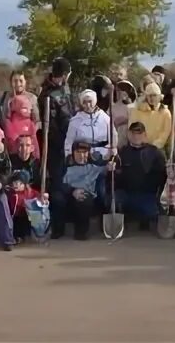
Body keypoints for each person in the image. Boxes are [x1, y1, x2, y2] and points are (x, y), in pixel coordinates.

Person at [51, 141, 114, 240]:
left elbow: (107, 167)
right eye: (78, 152)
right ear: (73, 153)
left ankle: (81, 232)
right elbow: (57, 182)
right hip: (68, 193)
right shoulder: (65, 163)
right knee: (56, 197)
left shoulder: (94, 163)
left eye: (84, 152)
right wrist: (72, 191)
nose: (81, 155)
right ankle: (58, 230)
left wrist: (111, 163)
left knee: (85, 199)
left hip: (85, 193)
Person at [116, 122, 168, 231]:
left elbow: (163, 175)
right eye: (133, 133)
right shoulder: (121, 153)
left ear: (144, 135)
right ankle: (122, 220)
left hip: (147, 195)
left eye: (139, 133)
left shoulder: (155, 153)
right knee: (114, 201)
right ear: (128, 134)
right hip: (126, 194)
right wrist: (113, 171)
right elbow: (115, 176)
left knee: (152, 213)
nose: (136, 136)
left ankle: (144, 218)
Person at [37, 57, 75, 195]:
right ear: (64, 75)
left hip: (70, 141)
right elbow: (51, 128)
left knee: (69, 180)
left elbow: (71, 112)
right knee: (58, 182)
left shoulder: (65, 89)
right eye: (68, 75)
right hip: (57, 146)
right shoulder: (47, 95)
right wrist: (64, 143)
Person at [64, 89, 117, 161]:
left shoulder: (105, 118)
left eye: (90, 101)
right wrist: (69, 155)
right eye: (84, 102)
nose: (88, 105)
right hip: (83, 155)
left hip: (103, 154)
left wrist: (113, 149)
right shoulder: (76, 120)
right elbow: (69, 141)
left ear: (94, 101)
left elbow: (113, 136)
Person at [129, 83, 172, 151]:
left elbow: (165, 132)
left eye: (154, 95)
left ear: (159, 96)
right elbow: (132, 127)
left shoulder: (165, 112)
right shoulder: (137, 110)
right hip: (139, 147)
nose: (151, 98)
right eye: (149, 95)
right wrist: (139, 142)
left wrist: (155, 145)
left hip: (157, 149)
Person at [6, 170, 43, 243]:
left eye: (18, 183)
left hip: (26, 218)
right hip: (13, 217)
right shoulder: (10, 193)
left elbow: (40, 205)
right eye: (13, 182)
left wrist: (43, 200)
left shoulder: (33, 193)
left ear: (24, 184)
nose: (15, 184)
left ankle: (37, 233)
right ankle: (15, 237)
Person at [112, 80, 137, 148]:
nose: (118, 93)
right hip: (116, 139)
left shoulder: (134, 107)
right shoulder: (112, 107)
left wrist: (126, 120)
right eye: (117, 91)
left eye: (120, 90)